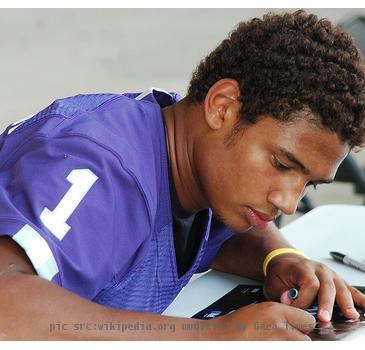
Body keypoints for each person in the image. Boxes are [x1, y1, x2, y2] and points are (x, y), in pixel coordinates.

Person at [0, 10, 365, 341]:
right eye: (282, 165)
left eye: (309, 183)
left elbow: (211, 237)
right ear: (222, 108)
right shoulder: (99, 168)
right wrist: (210, 338)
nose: (287, 201)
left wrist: (279, 258)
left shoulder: (191, 151)